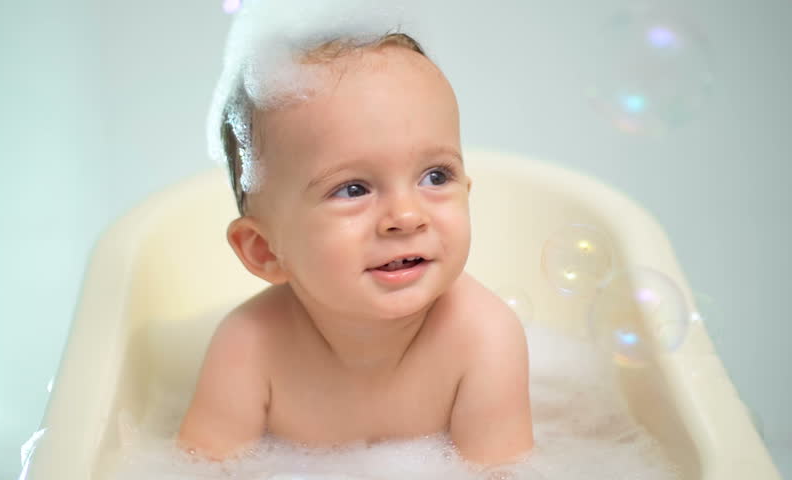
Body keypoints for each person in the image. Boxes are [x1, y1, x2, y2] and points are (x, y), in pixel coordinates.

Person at [178, 31, 533, 467]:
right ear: (265, 250)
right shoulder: (249, 346)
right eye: (353, 189)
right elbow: (197, 469)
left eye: (436, 176)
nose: (407, 216)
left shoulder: (484, 338)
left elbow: (502, 472)